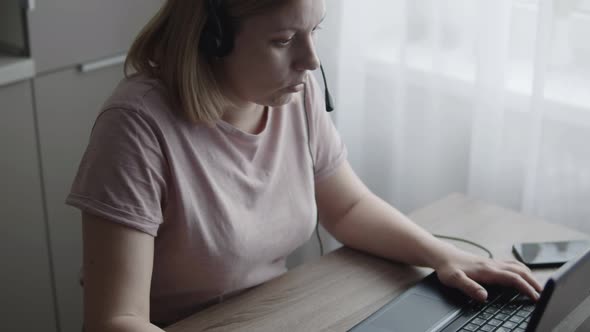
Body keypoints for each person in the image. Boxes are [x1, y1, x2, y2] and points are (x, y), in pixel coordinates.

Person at [66, 0, 543, 331]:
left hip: (274, 315)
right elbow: (116, 320)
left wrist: (443, 255)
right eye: (283, 40)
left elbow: (349, 206)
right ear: (210, 39)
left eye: (314, 31)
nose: (310, 60)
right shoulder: (135, 127)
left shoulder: (293, 95)